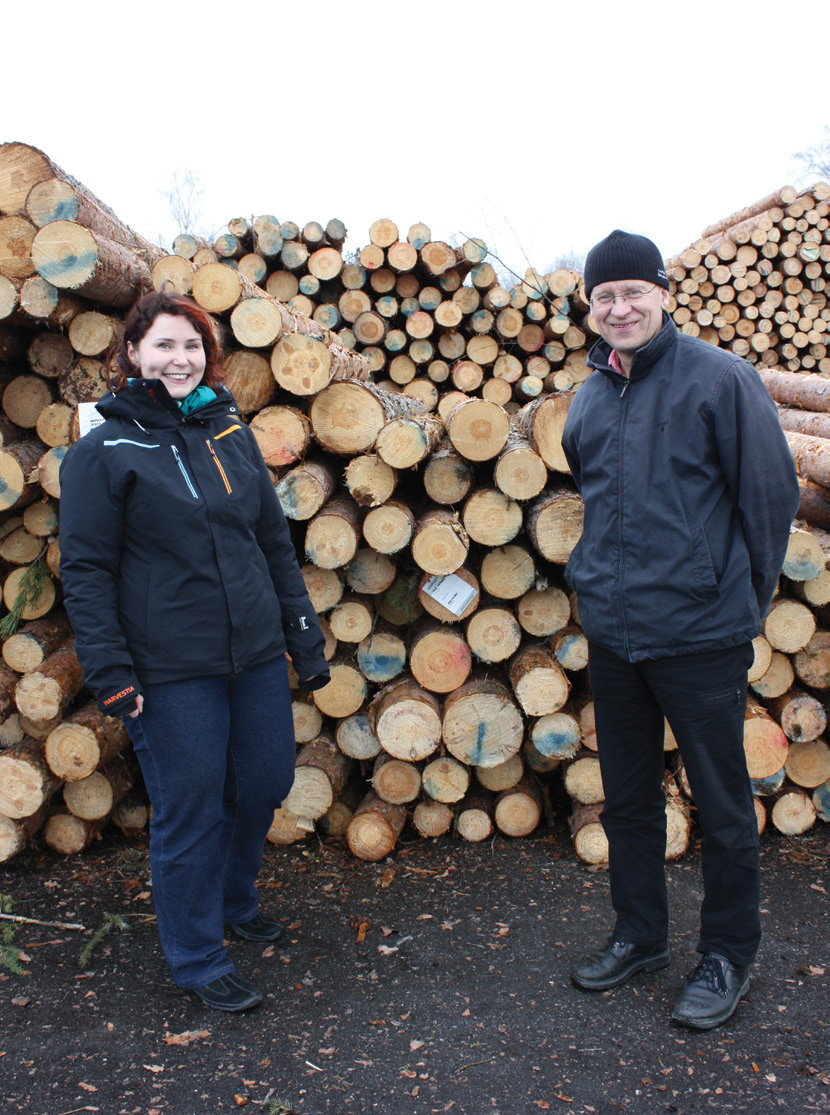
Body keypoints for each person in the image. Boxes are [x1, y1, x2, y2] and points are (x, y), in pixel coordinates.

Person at [59, 288, 330, 1013]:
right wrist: (110, 671)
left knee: (267, 780)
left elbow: (271, 541)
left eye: (190, 346)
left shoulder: (228, 434)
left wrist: (303, 637)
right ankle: (198, 954)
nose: (178, 359)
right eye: (163, 345)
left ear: (206, 356)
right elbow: (86, 571)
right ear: (133, 354)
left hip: (252, 654)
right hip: (170, 668)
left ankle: (235, 897)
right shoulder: (103, 451)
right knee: (191, 807)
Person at [561, 230, 799, 1030]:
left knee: (725, 808)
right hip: (618, 638)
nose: (619, 307)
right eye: (604, 297)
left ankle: (728, 953)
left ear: (664, 294)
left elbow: (769, 501)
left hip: (701, 637)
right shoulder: (588, 399)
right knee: (627, 801)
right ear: (589, 308)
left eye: (633, 291)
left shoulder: (721, 381)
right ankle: (640, 935)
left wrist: (739, 604)